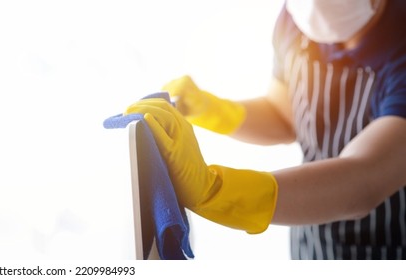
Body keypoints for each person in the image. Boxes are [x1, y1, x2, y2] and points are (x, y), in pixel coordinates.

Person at [124, 0, 406, 259]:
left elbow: (364, 179)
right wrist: (214, 110)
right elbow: (284, 117)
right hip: (310, 240)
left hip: (385, 248)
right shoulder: (297, 19)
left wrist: (217, 192)